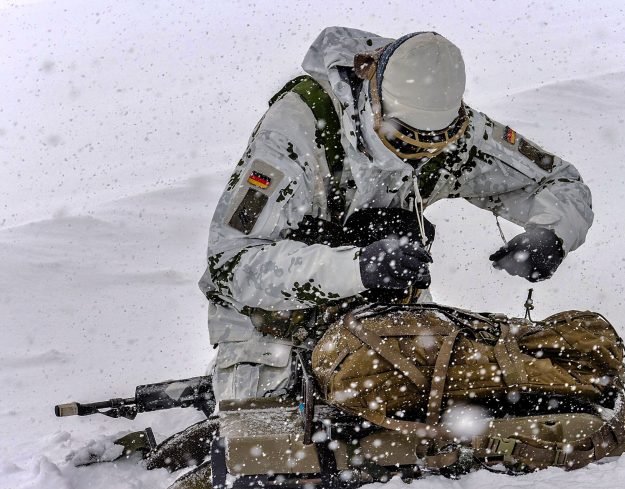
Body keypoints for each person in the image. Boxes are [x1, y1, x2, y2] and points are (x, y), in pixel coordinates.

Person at [199, 27, 593, 401]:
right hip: (273, 334)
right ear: (373, 97)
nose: (417, 153)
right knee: (274, 457)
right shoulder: (300, 126)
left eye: (431, 145)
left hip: (387, 326)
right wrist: (359, 268)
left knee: (466, 422)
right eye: (404, 138)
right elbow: (232, 264)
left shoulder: (452, 134)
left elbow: (556, 179)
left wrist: (553, 234)